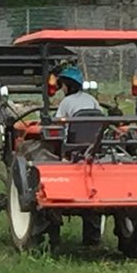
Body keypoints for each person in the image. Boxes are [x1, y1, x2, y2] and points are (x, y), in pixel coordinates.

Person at [53, 65, 107, 246]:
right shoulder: (92, 100)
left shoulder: (66, 103)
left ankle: (52, 233)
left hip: (72, 148)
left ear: (67, 86)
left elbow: (58, 124)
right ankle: (92, 239)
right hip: (94, 148)